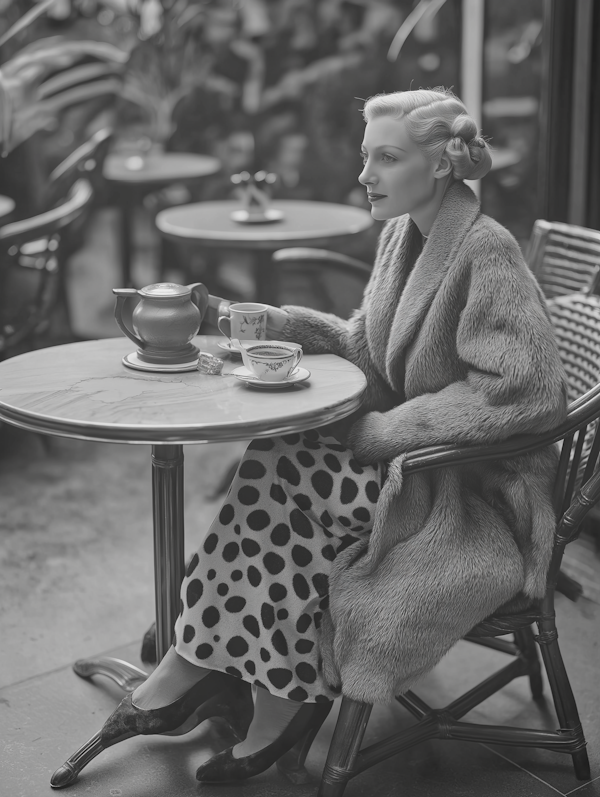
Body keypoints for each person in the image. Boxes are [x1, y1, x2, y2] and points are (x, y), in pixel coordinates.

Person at [51, 88, 567, 789]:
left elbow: (523, 389)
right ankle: (215, 670)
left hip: (469, 492)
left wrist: (385, 431)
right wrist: (280, 324)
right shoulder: (405, 234)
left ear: (442, 165)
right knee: (279, 458)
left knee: (288, 475)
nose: (366, 173)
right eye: (366, 155)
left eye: (386, 157)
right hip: (416, 467)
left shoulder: (487, 250)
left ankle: (210, 670)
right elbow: (368, 343)